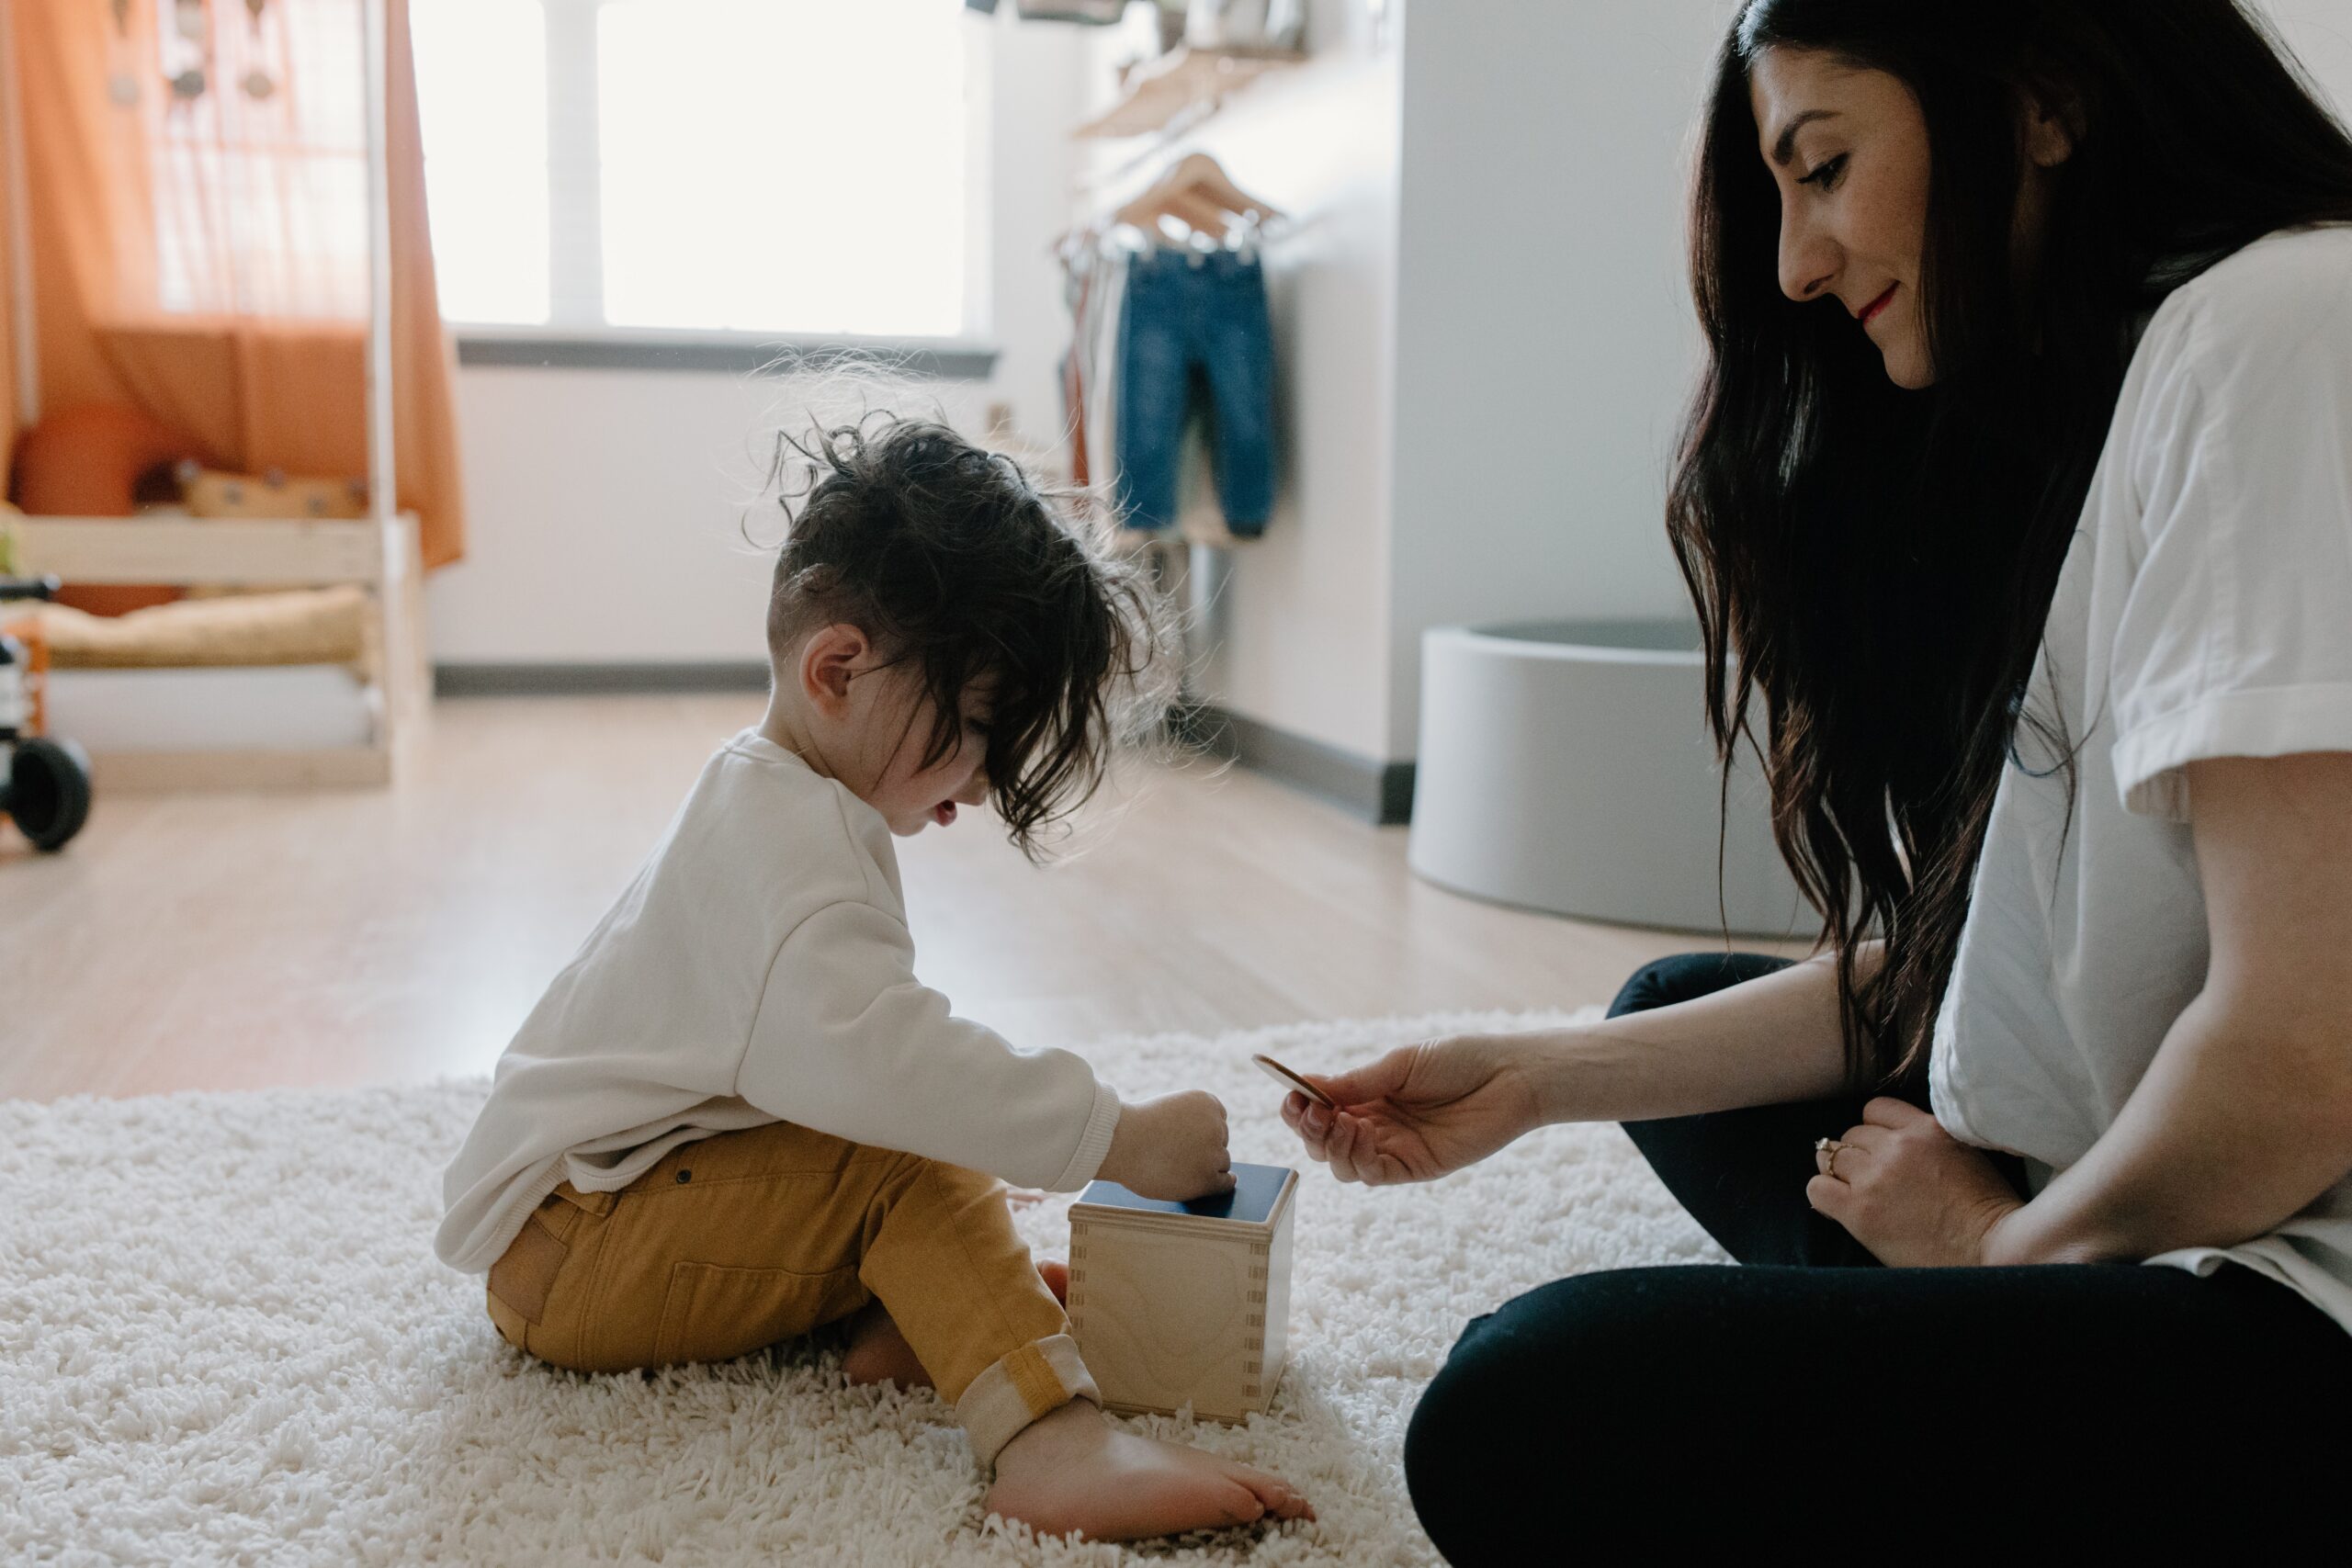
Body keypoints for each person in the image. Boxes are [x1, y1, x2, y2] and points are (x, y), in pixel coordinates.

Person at [1283, 0, 2352, 1552]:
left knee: (1530, 1398)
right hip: (2174, 1216)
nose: (1795, 262)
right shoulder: (2157, 371)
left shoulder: (2285, 324)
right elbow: (1975, 964)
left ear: (2043, 96)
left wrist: (2000, 1252)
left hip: (2296, 1319)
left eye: (1826, 166)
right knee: (1657, 1013)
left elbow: (2305, 1047)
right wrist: (1528, 1082)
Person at [435, 414, 1312, 1543]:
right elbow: (890, 1069)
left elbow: (811, 1074)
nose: (985, 787)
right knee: (908, 1153)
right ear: (838, 671)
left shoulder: (767, 795)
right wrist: (1116, 1136)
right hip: (583, 1254)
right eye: (976, 733)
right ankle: (1052, 1441)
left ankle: (911, 1311)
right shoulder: (792, 858)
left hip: (578, 1228)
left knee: (916, 1145)